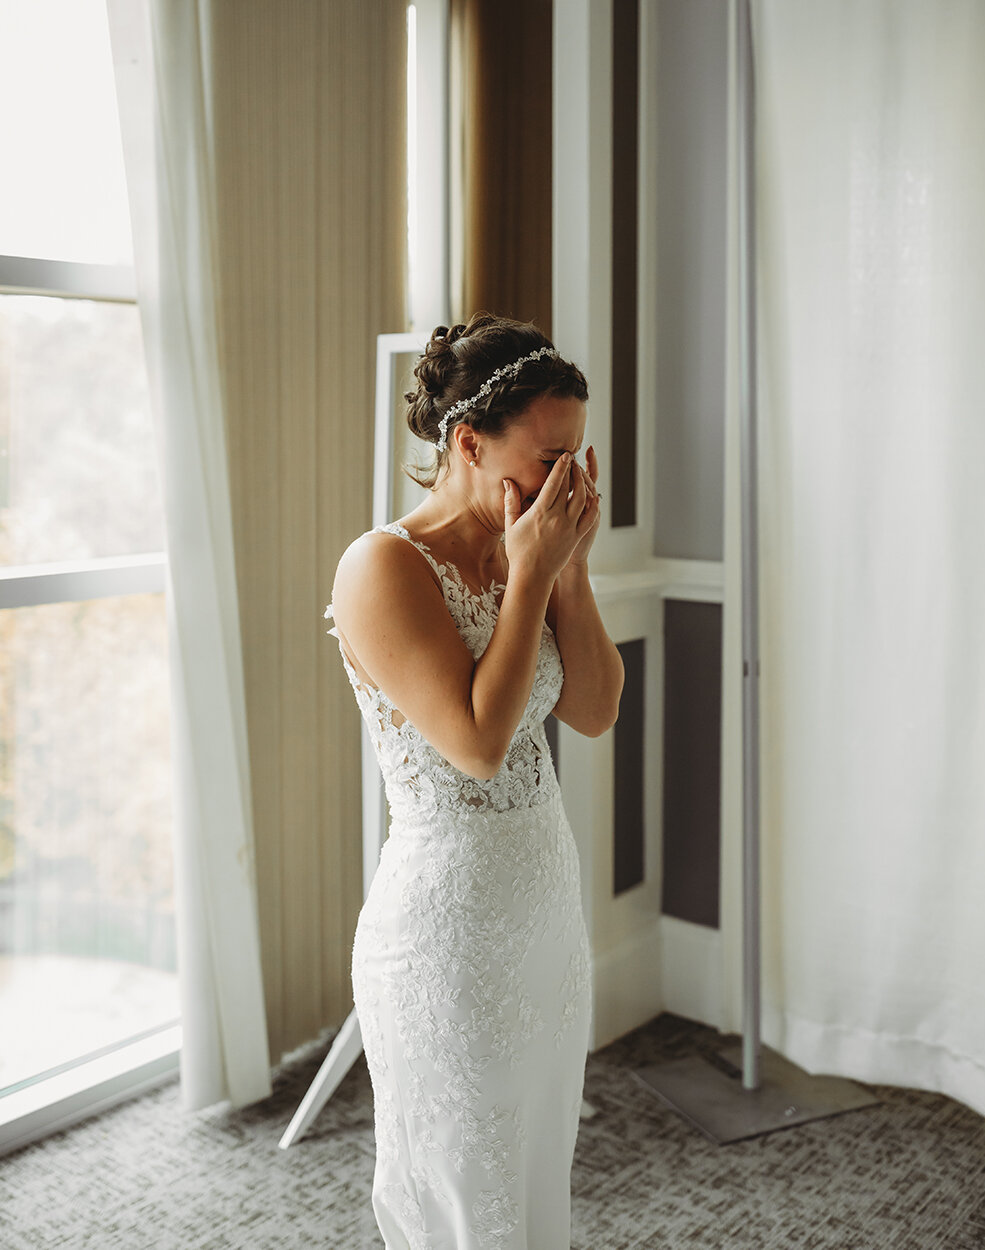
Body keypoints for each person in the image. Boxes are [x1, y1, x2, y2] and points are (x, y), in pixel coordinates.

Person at [327, 313, 624, 1249]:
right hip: (446, 939)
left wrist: (565, 572)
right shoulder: (381, 566)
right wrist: (533, 575)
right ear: (467, 442)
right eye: (548, 458)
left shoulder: (528, 550)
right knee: (466, 1190)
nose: (567, 482)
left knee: (533, 1175)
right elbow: (479, 745)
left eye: (577, 457)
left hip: (540, 902)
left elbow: (593, 710)